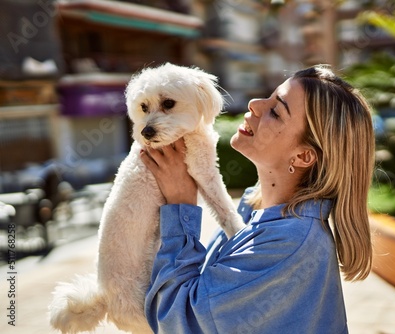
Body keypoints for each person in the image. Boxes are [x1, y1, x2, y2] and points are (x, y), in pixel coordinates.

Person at [140, 64, 375, 334]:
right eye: (270, 96)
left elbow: (176, 321)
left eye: (276, 111)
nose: (255, 104)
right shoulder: (255, 206)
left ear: (303, 156)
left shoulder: (290, 243)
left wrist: (180, 204)